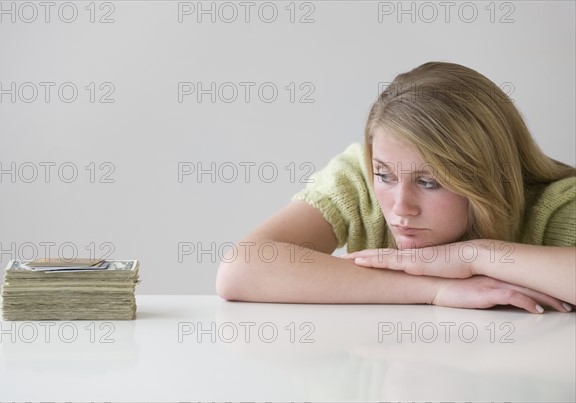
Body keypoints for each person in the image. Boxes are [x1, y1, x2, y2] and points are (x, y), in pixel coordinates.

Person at [216, 61, 576, 313]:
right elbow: (242, 268)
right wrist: (435, 289)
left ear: (488, 178)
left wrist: (473, 256)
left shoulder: (555, 204)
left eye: (429, 182)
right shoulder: (358, 177)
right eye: (385, 175)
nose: (401, 207)